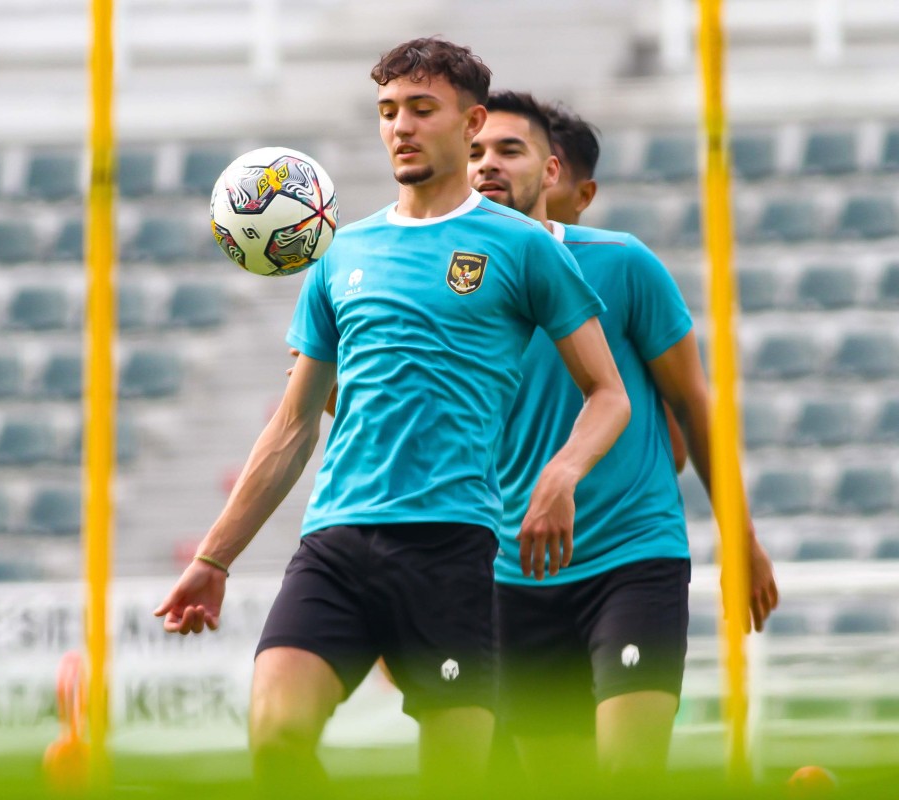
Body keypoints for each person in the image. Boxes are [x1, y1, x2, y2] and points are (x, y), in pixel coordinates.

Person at [154, 38, 631, 798]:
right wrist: (213, 560)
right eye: (386, 111)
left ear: (471, 122)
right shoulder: (343, 255)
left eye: (420, 109)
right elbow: (291, 425)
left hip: (450, 549)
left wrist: (559, 476)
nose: (400, 127)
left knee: (453, 779)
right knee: (275, 735)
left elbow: (609, 393)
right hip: (335, 540)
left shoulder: (524, 248)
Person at [467, 91, 780, 789]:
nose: (486, 165)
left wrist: (741, 539)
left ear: (552, 173)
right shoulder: (447, 289)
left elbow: (693, 406)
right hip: (514, 576)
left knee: (627, 776)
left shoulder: (624, 265)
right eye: (475, 153)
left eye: (507, 150)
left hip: (632, 559)